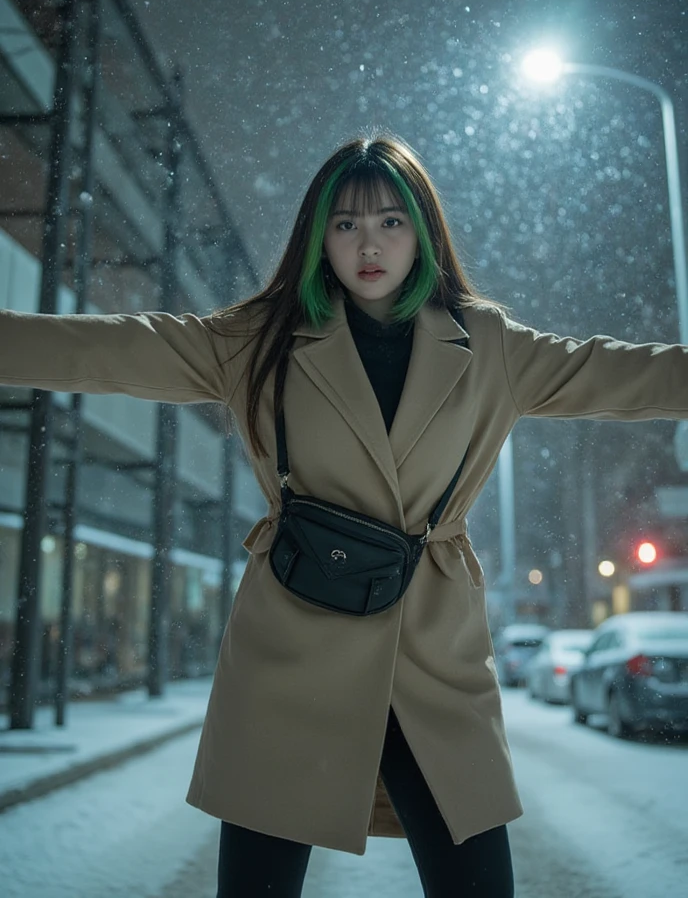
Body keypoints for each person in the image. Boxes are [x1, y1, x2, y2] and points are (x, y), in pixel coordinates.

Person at [1, 134, 686, 898]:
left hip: (432, 654)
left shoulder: (488, 343)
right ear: (317, 235)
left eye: (392, 222)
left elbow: (623, 372)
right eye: (347, 224)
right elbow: (103, 350)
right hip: (294, 648)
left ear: (423, 232)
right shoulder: (258, 338)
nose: (369, 244)